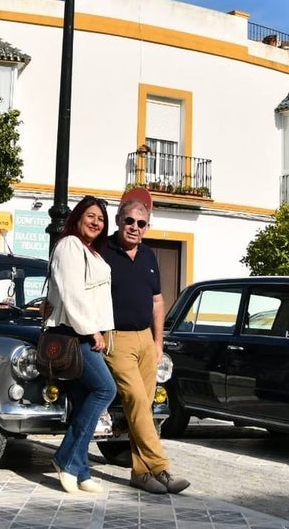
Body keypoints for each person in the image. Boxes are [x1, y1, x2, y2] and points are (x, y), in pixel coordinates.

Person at [99, 198, 190, 494]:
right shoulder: (102, 251)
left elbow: (157, 302)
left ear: (147, 227)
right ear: (118, 221)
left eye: (141, 223)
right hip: (117, 339)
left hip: (145, 341)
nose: (135, 228)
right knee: (137, 400)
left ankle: (140, 474)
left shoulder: (150, 255)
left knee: (144, 408)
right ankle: (161, 468)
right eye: (130, 221)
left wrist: (158, 341)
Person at [47, 195, 117, 494]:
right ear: (76, 218)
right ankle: (65, 458)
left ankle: (82, 471)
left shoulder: (90, 251)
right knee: (106, 389)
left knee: (83, 400)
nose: (95, 222)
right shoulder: (70, 246)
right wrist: (92, 333)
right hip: (75, 334)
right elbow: (72, 293)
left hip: (84, 333)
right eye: (90, 216)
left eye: (100, 219)